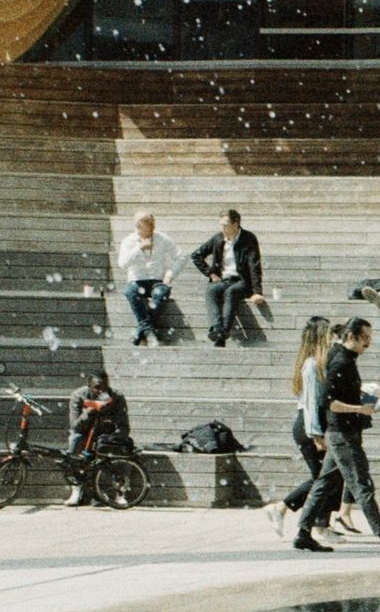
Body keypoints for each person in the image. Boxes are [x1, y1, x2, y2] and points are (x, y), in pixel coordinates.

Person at [296, 318, 380, 555]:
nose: (368, 345)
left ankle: (302, 534)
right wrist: (361, 409)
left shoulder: (345, 359)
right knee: (362, 485)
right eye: (365, 339)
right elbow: (329, 403)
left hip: (343, 432)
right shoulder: (340, 361)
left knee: (324, 483)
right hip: (343, 434)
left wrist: (363, 397)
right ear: (351, 337)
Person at [262, 317, 361, 543]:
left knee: (328, 478)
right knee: (325, 479)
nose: (335, 340)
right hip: (309, 426)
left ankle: (292, 513)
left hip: (316, 424)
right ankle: (305, 519)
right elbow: (309, 403)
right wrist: (316, 434)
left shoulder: (322, 362)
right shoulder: (312, 365)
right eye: (330, 336)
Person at [190, 209, 264, 346]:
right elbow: (196, 255)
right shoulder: (218, 239)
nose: (222, 228)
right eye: (221, 224)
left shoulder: (248, 239)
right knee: (211, 290)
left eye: (225, 224)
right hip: (223, 280)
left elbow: (255, 266)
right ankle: (217, 328)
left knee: (231, 292)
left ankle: (222, 333)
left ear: (235, 224)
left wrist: (257, 292)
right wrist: (210, 273)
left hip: (242, 281)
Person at [116, 211, 178, 345]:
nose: (152, 225)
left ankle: (141, 330)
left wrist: (169, 274)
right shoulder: (128, 241)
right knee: (130, 291)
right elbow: (122, 264)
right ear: (139, 226)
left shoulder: (162, 238)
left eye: (153, 222)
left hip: (157, 280)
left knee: (161, 293)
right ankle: (149, 331)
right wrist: (139, 248)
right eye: (148, 223)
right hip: (138, 281)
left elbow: (180, 256)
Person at [64, 372, 125, 506]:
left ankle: (118, 490)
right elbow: (74, 426)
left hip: (105, 433)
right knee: (74, 439)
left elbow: (124, 425)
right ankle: (77, 486)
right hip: (84, 432)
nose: (101, 391)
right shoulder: (78, 396)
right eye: (97, 387)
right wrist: (89, 411)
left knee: (120, 446)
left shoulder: (116, 396)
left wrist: (114, 436)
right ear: (89, 386)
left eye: (104, 387)